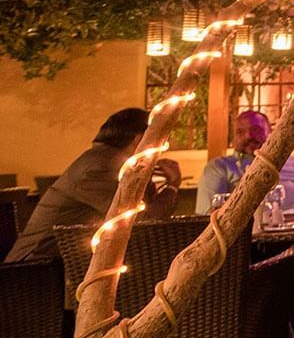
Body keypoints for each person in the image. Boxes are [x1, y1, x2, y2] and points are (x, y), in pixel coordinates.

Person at [7, 108, 179, 264]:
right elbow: (144, 222)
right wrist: (172, 186)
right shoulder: (101, 167)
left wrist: (146, 174)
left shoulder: (108, 160)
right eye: (161, 143)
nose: (162, 150)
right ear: (139, 140)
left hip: (66, 261)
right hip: (37, 266)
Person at [195, 110, 294, 211]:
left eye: (255, 130)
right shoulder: (219, 167)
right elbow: (208, 216)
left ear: (270, 133)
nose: (248, 136)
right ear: (233, 138)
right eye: (240, 132)